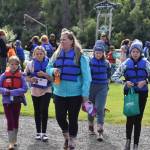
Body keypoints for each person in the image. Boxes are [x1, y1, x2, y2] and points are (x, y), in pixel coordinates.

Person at [46, 28, 91, 150]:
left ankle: (72, 140)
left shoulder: (80, 56)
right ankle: (66, 136)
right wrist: (52, 70)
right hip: (59, 92)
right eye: (60, 40)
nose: (61, 42)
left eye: (64, 40)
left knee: (73, 119)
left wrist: (85, 96)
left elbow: (87, 78)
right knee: (59, 117)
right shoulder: (56, 54)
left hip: (75, 94)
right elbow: (48, 67)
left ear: (71, 41)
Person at [111, 39, 150, 150]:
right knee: (130, 118)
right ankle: (128, 142)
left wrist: (146, 81)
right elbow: (114, 77)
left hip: (142, 94)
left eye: (137, 51)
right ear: (130, 52)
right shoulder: (125, 64)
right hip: (130, 94)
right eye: (133, 51)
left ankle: (135, 145)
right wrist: (124, 82)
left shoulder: (146, 63)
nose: (135, 53)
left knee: (138, 119)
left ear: (140, 52)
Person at [24, 46, 52, 142]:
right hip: (35, 90)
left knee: (43, 109)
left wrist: (44, 75)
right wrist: (31, 79)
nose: (39, 55)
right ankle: (38, 132)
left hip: (47, 89)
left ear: (44, 54)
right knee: (37, 111)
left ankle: (44, 133)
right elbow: (25, 76)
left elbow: (53, 78)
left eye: (41, 53)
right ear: (34, 55)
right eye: (37, 54)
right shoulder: (30, 64)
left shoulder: (49, 63)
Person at [0, 56, 28, 150]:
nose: (14, 66)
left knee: (15, 119)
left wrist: (12, 92)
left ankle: (14, 139)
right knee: (10, 120)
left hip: (17, 101)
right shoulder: (4, 75)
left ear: (18, 65)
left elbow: (25, 88)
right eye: (12, 64)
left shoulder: (21, 76)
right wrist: (5, 91)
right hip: (7, 102)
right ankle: (11, 142)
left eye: (16, 64)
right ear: (8, 64)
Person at [88, 40, 111, 141]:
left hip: (102, 87)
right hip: (91, 87)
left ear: (103, 53)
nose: (98, 54)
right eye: (96, 52)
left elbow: (109, 75)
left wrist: (107, 84)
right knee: (90, 108)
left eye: (100, 52)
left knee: (99, 108)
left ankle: (100, 130)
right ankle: (90, 125)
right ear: (94, 53)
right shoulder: (89, 62)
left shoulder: (107, 63)